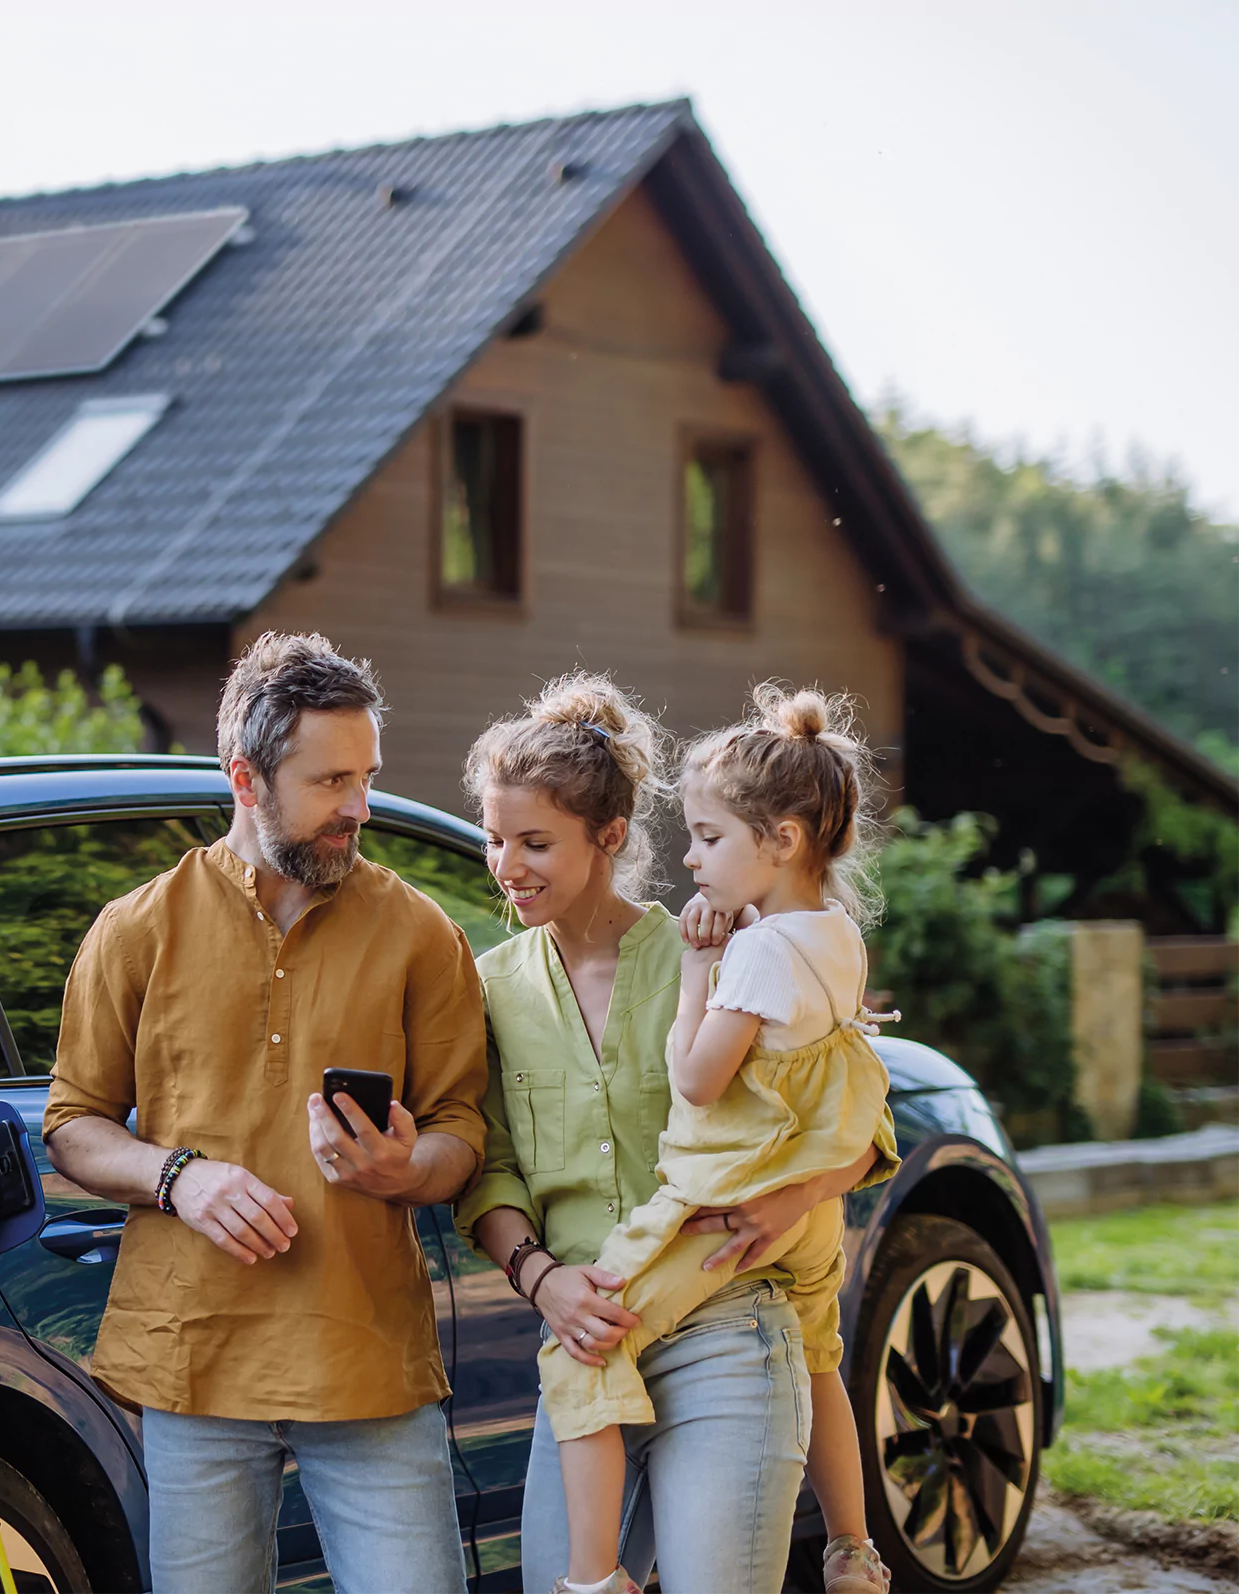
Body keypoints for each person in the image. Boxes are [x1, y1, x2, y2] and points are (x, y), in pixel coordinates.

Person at [43, 631, 488, 1594]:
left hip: (365, 1358)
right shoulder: (137, 930)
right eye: (331, 782)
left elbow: (463, 1133)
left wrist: (408, 1170)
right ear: (247, 778)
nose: (359, 807)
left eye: (365, 777)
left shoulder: (422, 934)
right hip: (193, 1362)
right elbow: (74, 1123)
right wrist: (179, 1177)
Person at [454, 673, 890, 1594]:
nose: (506, 865)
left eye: (534, 843)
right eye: (496, 840)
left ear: (609, 837)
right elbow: (487, 1167)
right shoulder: (488, 986)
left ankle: (854, 1547)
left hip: (728, 1323)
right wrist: (544, 1281)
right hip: (587, 1330)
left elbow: (847, 1114)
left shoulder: (725, 947)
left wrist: (792, 1199)